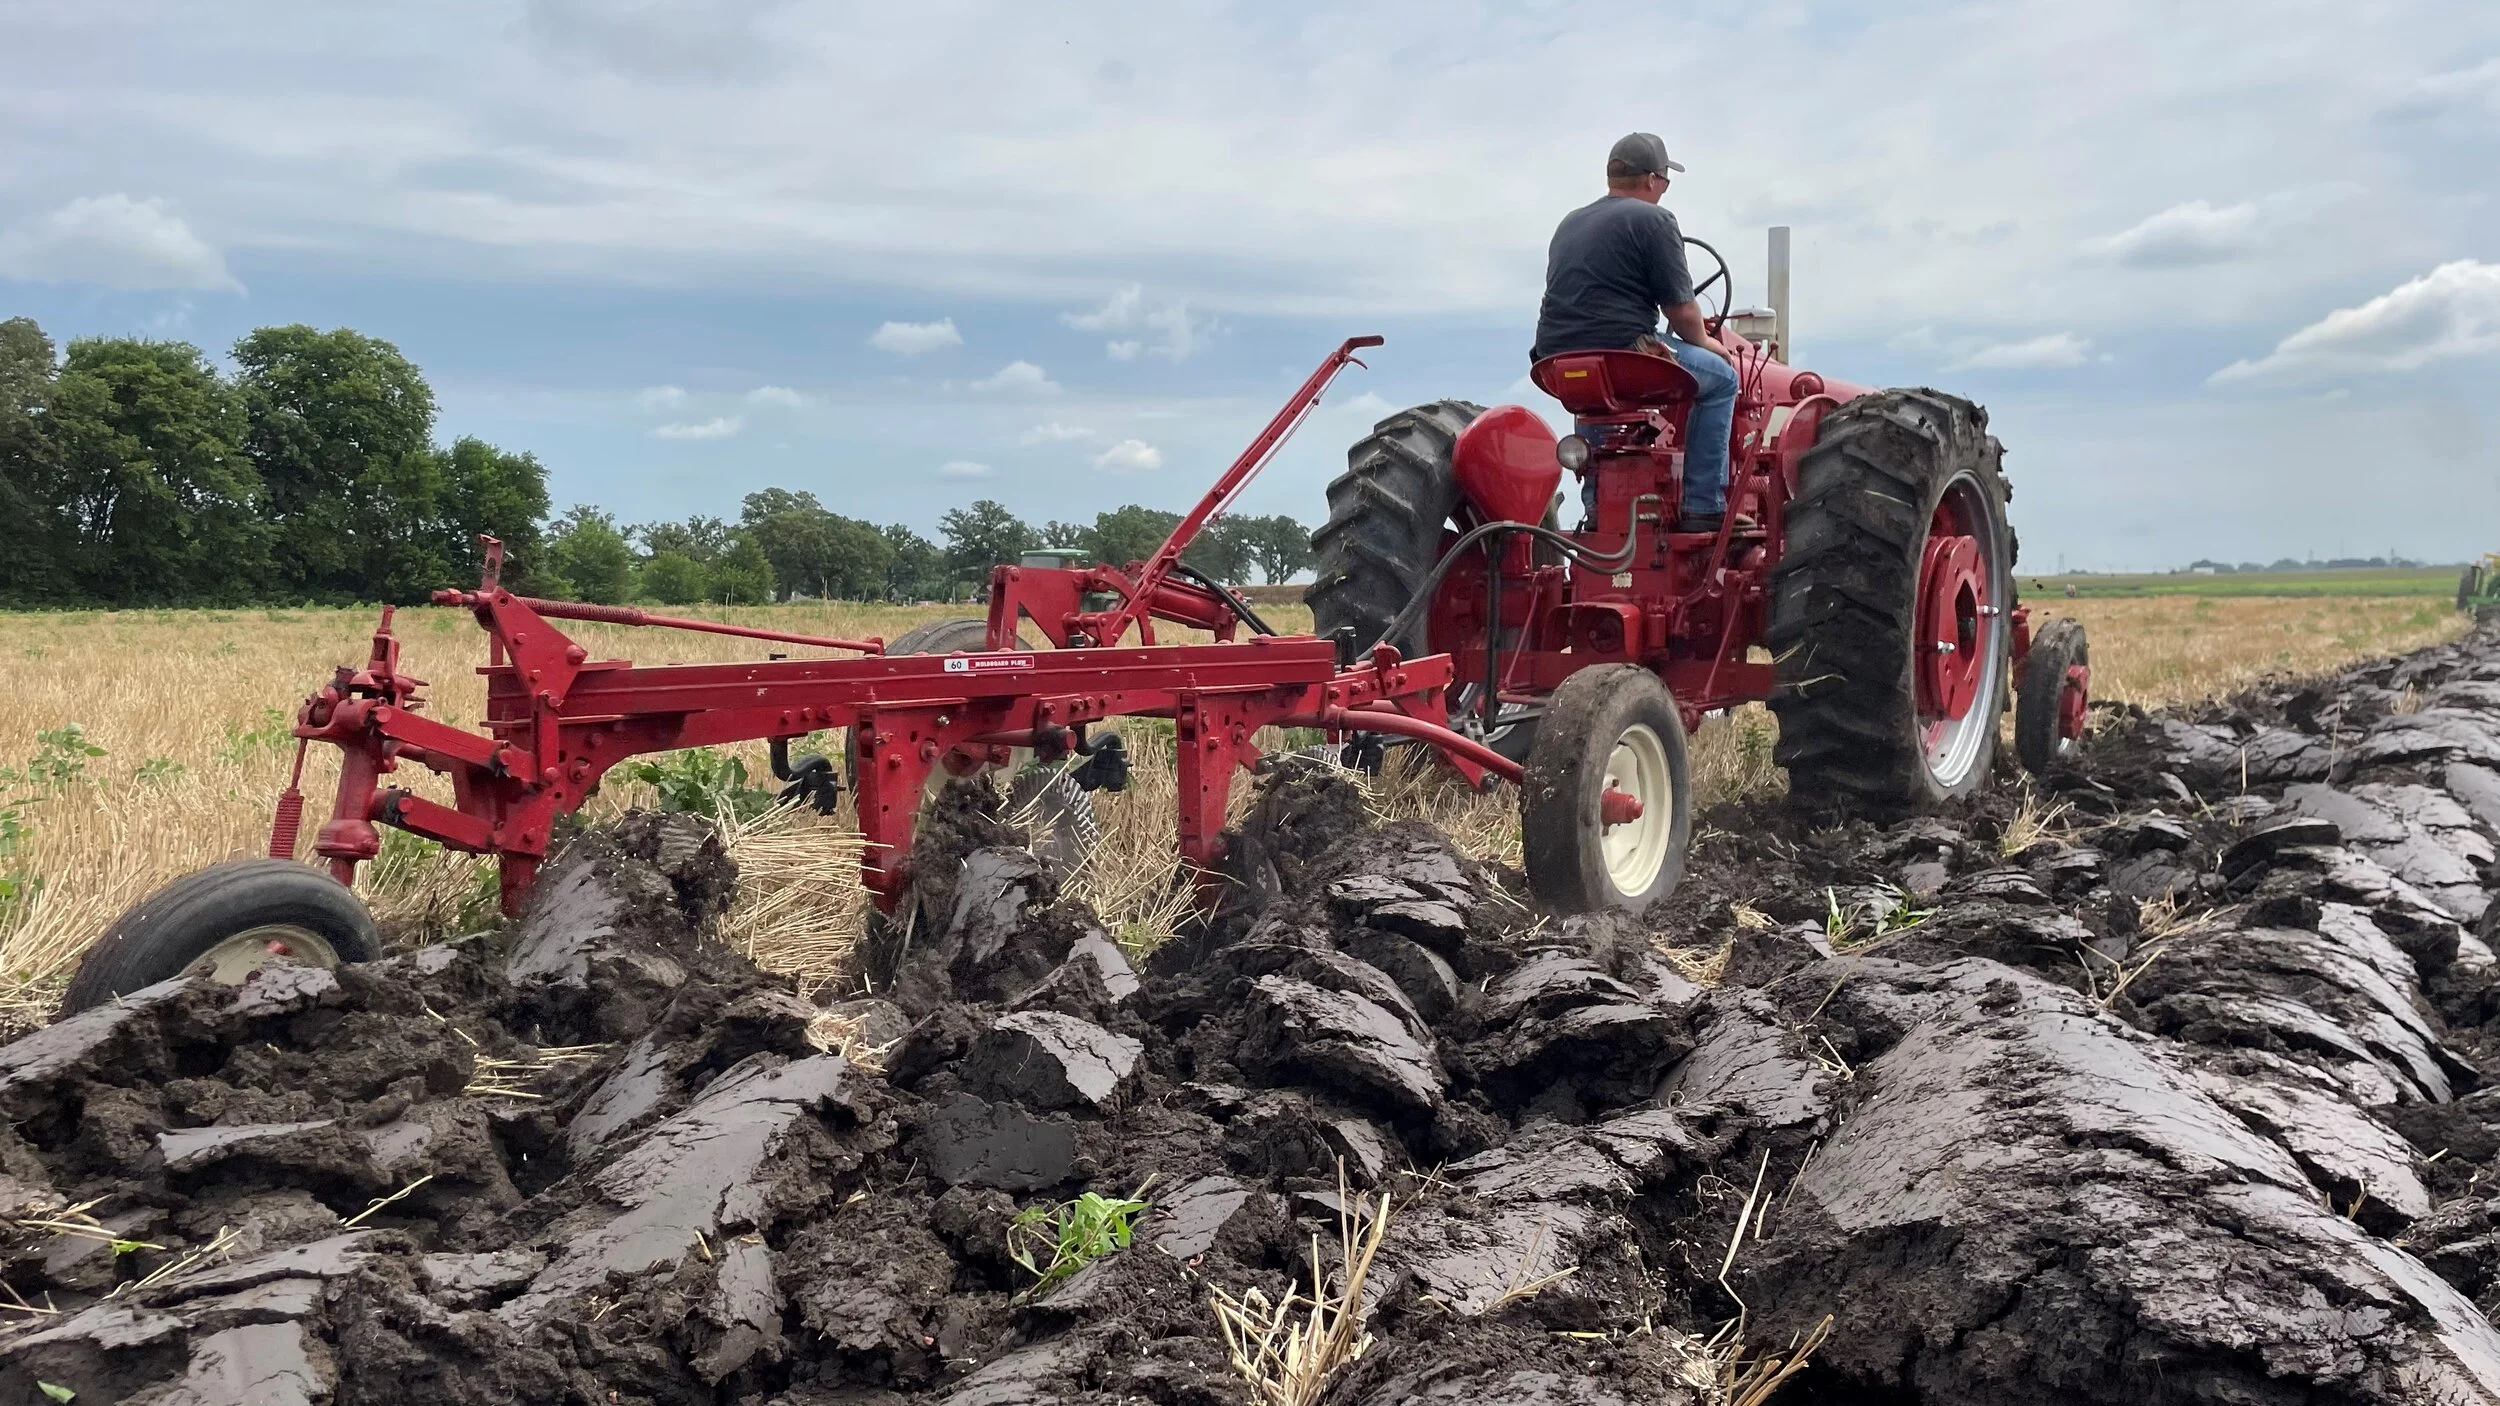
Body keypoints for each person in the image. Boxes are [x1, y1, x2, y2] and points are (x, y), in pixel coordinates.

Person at [1532, 132, 1744, 532]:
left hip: (1555, 359)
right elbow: (1681, 309)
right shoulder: (1655, 220)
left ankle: (1597, 510)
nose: (1664, 188)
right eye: (1665, 180)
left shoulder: (1569, 223)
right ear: (1651, 179)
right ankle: (1703, 507)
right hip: (1624, 351)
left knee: (1593, 394)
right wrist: (1706, 342)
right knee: (1722, 380)